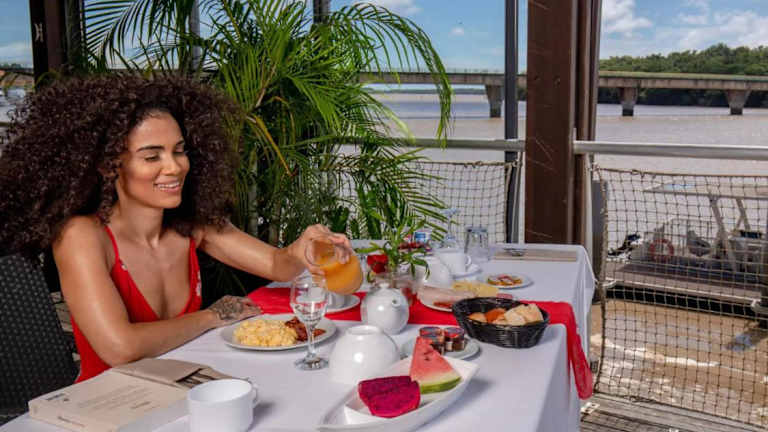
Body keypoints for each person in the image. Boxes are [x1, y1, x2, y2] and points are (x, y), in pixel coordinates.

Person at [0, 74, 351, 381]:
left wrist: (302, 248)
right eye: (152, 156)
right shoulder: (82, 236)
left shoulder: (191, 225)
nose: (174, 167)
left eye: (179, 151)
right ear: (109, 166)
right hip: (110, 407)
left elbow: (277, 266)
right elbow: (120, 348)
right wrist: (212, 316)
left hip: (182, 390)